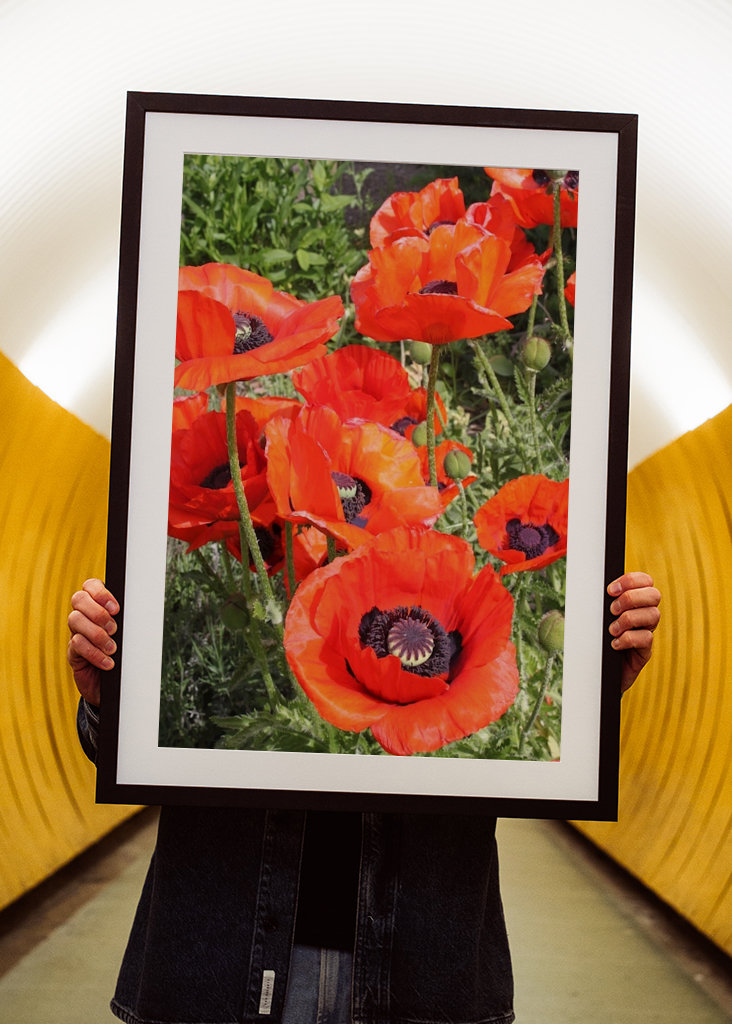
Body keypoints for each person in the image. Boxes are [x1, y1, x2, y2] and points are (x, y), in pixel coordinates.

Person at [67, 572, 661, 1024]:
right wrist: (109, 702)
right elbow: (131, 750)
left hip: (420, 964)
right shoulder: (220, 593)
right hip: (223, 951)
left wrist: (591, 693)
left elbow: (523, 743)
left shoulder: (440, 581)